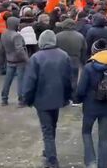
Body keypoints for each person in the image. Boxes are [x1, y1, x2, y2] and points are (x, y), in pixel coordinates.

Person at [22, 30, 73, 168]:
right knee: (52, 125)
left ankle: (52, 159)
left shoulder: (36, 58)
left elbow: (30, 81)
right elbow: (69, 78)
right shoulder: (64, 55)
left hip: (41, 99)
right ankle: (49, 150)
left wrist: (27, 98)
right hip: (58, 97)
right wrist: (68, 96)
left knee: (47, 129)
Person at [75, 47, 107, 168]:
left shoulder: (89, 68)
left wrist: (78, 100)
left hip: (90, 107)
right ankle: (103, 165)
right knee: (104, 139)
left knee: (86, 132)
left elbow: (81, 90)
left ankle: (91, 162)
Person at [0, 16, 28, 106]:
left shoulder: (4, 33)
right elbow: (19, 50)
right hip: (19, 61)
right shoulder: (16, 36)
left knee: (7, 80)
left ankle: (4, 98)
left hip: (9, 59)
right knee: (21, 81)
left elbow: (1, 48)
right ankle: (22, 100)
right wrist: (27, 59)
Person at [55, 18, 87, 97]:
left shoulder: (57, 36)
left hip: (60, 60)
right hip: (75, 59)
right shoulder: (80, 36)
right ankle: (73, 96)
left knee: (61, 78)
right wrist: (82, 61)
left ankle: (62, 96)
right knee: (74, 79)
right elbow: (84, 49)